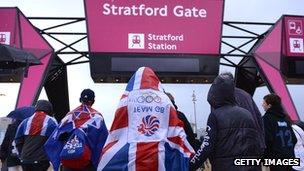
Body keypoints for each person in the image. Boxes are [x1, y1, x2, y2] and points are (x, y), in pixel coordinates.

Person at [98, 67, 194, 170]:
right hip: (161, 159)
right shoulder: (165, 101)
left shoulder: (126, 99)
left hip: (131, 160)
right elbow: (177, 132)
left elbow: (117, 131)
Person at [190, 74, 261, 171]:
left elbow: (206, 146)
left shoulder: (215, 115)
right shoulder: (247, 114)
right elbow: (257, 144)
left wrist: (189, 165)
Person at [44, 89, 108, 171]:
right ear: (93, 101)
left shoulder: (68, 116)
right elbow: (103, 143)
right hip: (86, 164)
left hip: (68, 163)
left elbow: (54, 139)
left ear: (80, 99)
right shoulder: (97, 117)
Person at [221, 72, 266, 154]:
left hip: (234, 145)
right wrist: (261, 142)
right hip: (252, 142)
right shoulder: (246, 95)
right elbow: (259, 117)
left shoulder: (221, 97)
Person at [14, 100, 58, 171]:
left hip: (25, 160)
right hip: (41, 161)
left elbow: (17, 140)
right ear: (49, 109)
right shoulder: (51, 121)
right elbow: (57, 140)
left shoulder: (25, 121)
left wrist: (22, 155)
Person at [262, 93, 297, 171]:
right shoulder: (285, 119)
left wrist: (265, 158)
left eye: (264, 103)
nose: (262, 105)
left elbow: (267, 140)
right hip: (289, 158)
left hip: (276, 160)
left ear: (269, 105)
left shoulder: (266, 119)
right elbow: (294, 139)